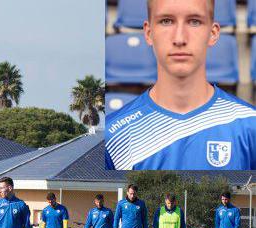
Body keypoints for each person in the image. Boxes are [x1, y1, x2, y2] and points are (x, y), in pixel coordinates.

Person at [105, 0, 255, 170]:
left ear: (213, 33)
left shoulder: (249, 125)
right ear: (148, 33)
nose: (179, 38)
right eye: (166, 21)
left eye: (194, 22)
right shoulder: (112, 136)